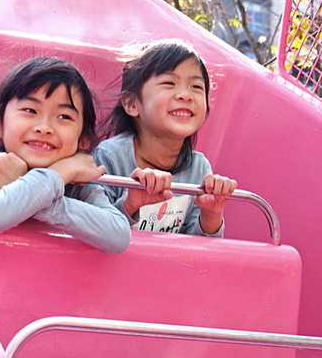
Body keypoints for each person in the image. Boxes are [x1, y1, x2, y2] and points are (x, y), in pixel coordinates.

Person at [0, 57, 130, 254]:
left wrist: (43, 199)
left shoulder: (78, 183)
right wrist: (59, 173)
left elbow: (118, 236)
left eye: (64, 117)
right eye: (30, 110)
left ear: (83, 139)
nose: (45, 128)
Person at [93, 40, 237, 237]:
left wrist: (212, 213)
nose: (186, 95)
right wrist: (131, 203)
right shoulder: (109, 157)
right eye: (170, 83)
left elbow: (200, 253)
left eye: (196, 87)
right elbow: (93, 230)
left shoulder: (199, 168)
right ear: (131, 103)